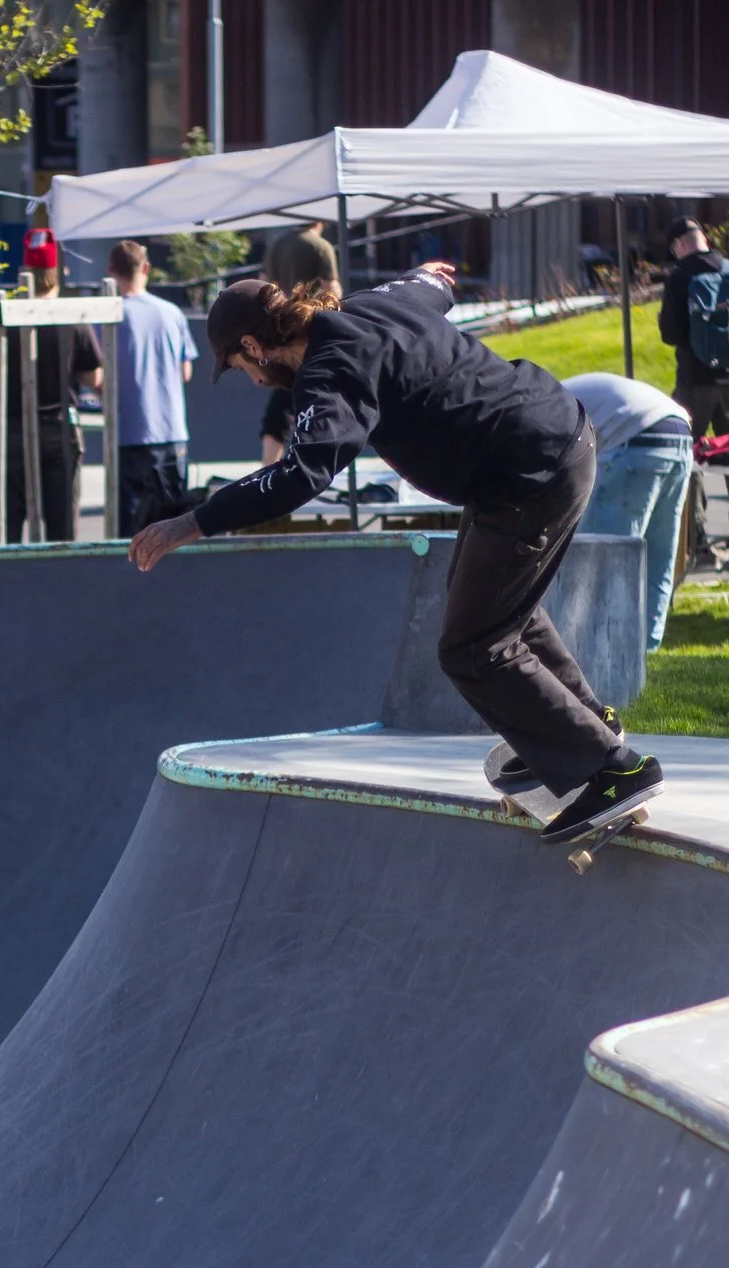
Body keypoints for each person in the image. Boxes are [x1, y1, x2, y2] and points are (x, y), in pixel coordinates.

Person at [126, 268, 664, 842]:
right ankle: (585, 724)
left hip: (528, 475)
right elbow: (434, 286)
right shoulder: (371, 304)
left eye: (242, 367)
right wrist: (430, 273)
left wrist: (194, 521)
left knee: (474, 646)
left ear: (254, 346)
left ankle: (613, 769)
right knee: (494, 608)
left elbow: (297, 475)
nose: (255, 381)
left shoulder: (329, 371)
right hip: (543, 444)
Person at [562, 372, 693, 652]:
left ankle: (600, 649)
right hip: (680, 436)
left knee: (604, 560)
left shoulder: (543, 409)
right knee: (658, 556)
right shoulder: (565, 393)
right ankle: (648, 648)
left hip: (635, 438)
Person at [4, 228, 103, 542]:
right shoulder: (74, 317)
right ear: (59, 271)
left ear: (25, 272)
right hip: (60, 427)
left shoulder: (7, 318)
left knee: (11, 524)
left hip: (13, 429)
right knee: (62, 523)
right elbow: (94, 378)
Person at [107, 240, 196, 535]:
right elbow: (186, 371)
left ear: (111, 271)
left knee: (130, 529)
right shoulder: (172, 313)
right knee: (172, 523)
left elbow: (97, 377)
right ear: (146, 268)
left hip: (128, 433)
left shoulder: (109, 317)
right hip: (171, 431)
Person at [657, 217, 729, 439]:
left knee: (688, 450)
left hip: (694, 380)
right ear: (704, 239)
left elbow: (671, 334)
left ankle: (695, 476)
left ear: (680, 244)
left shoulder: (679, 277)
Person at [258, 227, 340, 463]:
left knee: (283, 404)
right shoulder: (320, 246)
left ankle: (269, 465)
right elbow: (330, 288)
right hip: (312, 333)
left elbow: (264, 284)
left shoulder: (277, 245)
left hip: (282, 333)